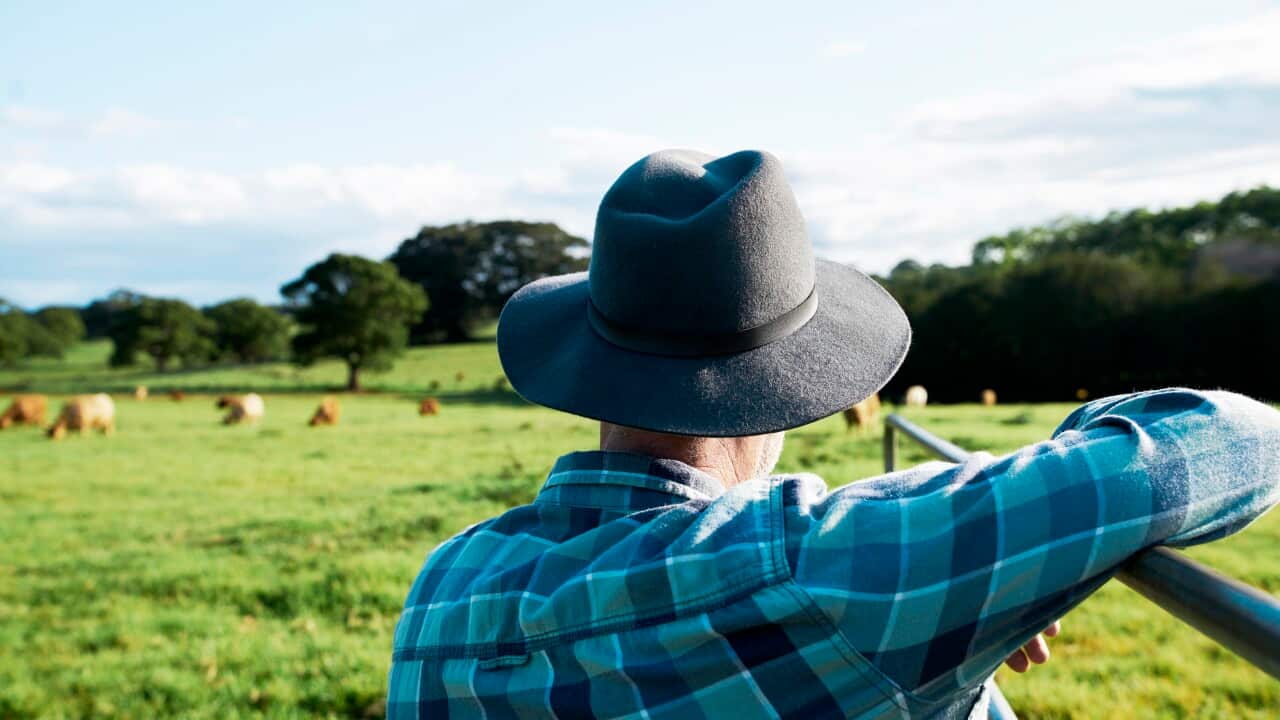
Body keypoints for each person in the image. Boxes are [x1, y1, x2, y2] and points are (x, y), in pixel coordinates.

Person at [386, 150, 1280, 718]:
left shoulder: (444, 588)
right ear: (785, 390)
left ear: (592, 359)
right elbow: (1239, 436)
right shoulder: (828, 574)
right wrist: (1026, 502)